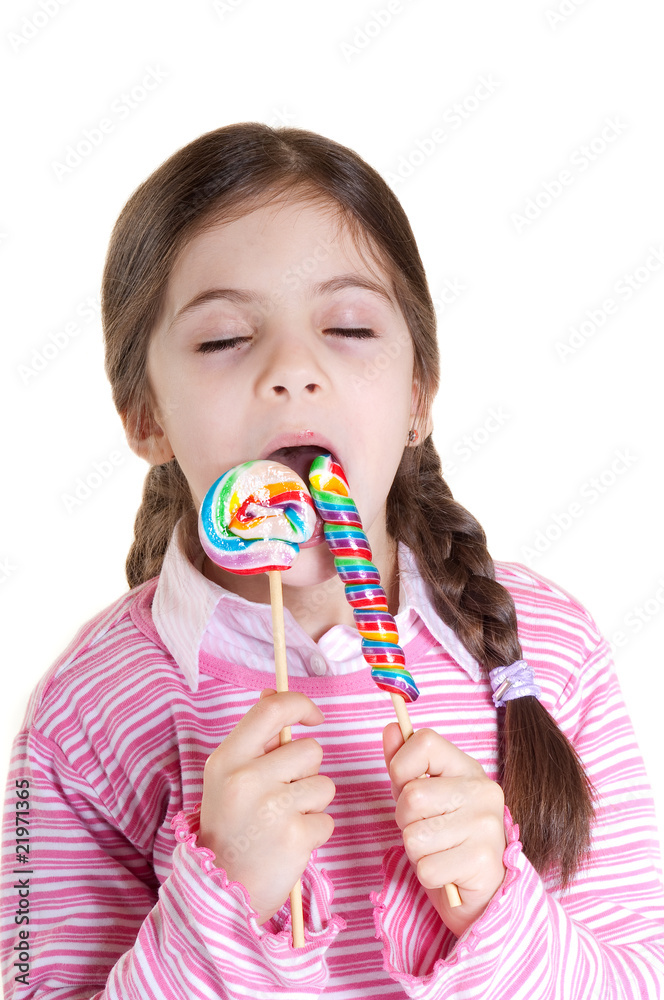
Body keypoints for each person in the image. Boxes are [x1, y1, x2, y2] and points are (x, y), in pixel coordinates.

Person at [2, 122, 663, 999]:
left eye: (348, 327)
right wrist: (223, 894)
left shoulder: (551, 647)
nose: (292, 369)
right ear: (145, 415)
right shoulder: (85, 715)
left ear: (418, 393)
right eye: (222, 339)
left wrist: (499, 910)